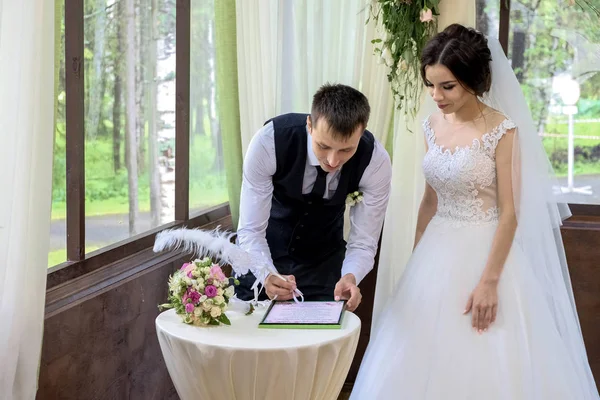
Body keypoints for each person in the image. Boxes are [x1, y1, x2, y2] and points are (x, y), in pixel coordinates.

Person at [350, 24, 600, 399]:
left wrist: (489, 282)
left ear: (473, 80)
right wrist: (417, 262)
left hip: (486, 253)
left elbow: (510, 214)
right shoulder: (431, 125)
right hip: (435, 254)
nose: (436, 96)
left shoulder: (502, 130)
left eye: (447, 86)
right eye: (431, 85)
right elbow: (429, 202)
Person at [235, 83, 392, 311]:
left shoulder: (375, 161)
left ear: (362, 130)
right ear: (310, 124)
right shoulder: (269, 142)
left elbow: (364, 242)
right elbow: (250, 229)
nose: (332, 161)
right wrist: (266, 274)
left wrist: (351, 276)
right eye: (323, 146)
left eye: (346, 150)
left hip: (324, 267)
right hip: (261, 256)